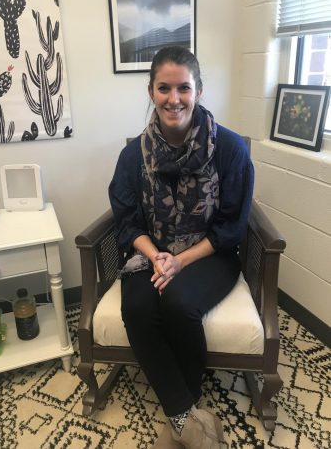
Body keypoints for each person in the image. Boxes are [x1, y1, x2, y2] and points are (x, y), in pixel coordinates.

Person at [109, 46, 254, 449]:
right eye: (164, 88)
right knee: (136, 307)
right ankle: (188, 419)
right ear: (151, 91)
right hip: (150, 251)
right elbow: (127, 221)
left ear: (199, 90)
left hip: (211, 253)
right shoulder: (132, 155)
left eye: (184, 88)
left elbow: (231, 226)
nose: (174, 99)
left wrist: (180, 261)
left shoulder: (229, 149)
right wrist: (156, 256)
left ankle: (178, 421)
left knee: (177, 302)